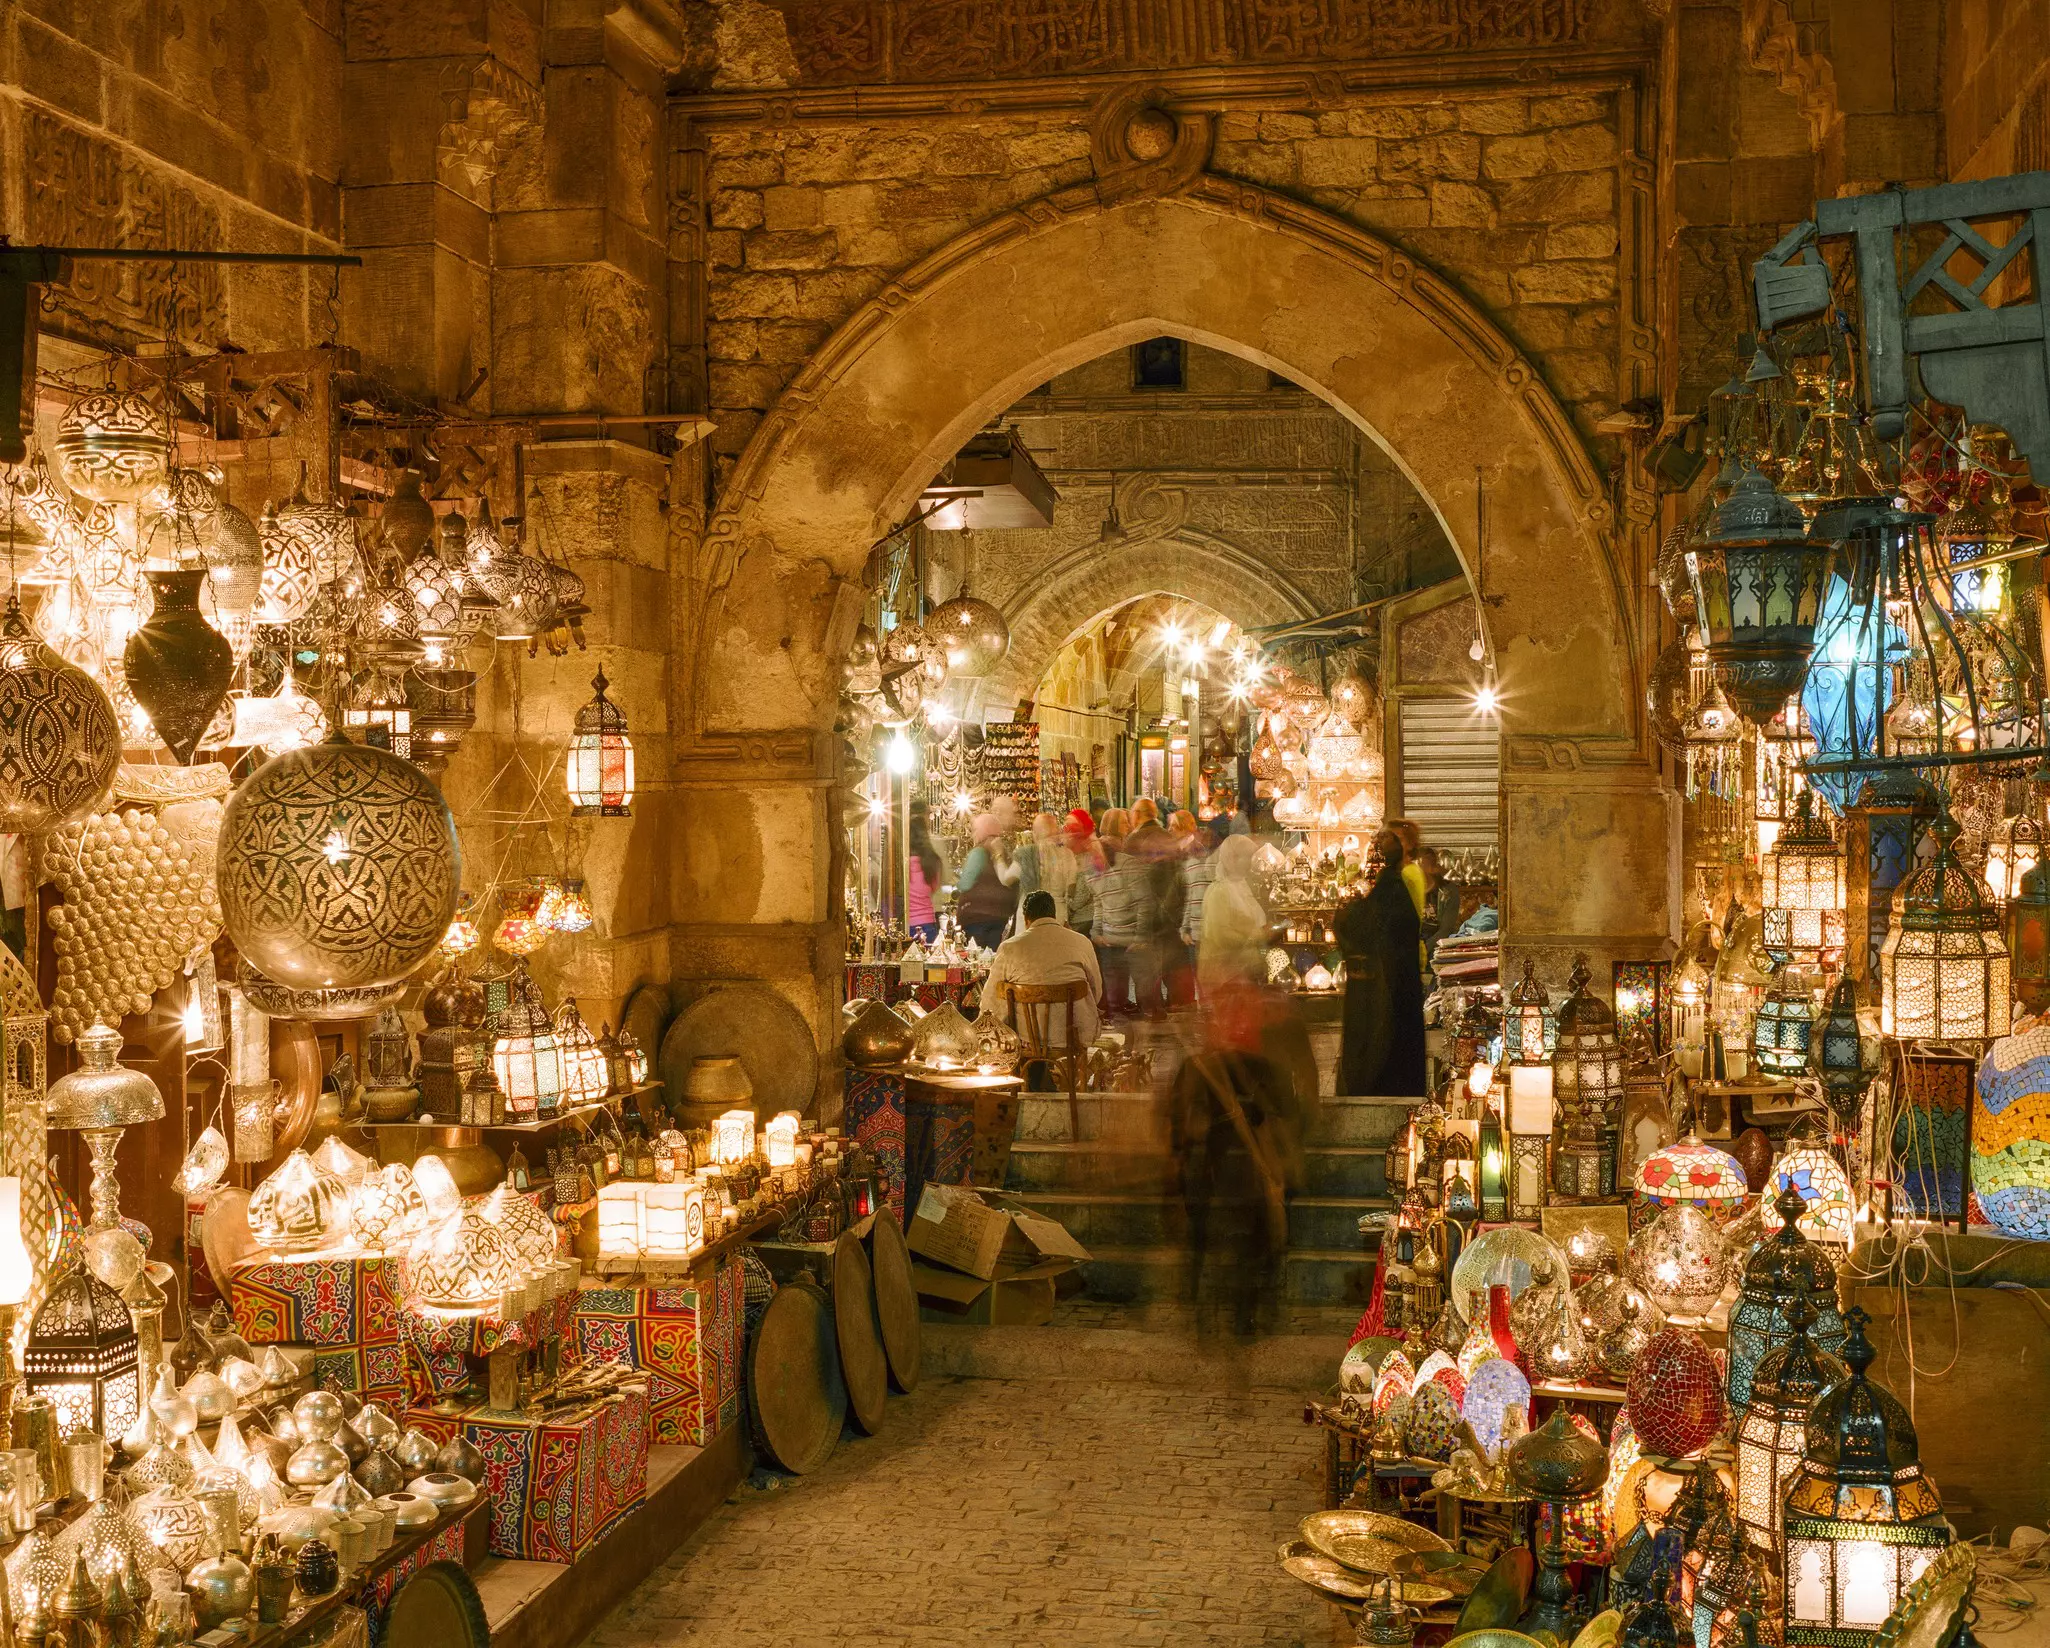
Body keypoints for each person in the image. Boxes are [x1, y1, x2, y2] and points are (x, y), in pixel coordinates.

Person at [1335, 827, 1427, 1096]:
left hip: (1383, 988)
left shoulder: (1383, 894)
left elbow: (1361, 931)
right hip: (1398, 983)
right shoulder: (1390, 891)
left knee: (1381, 1049)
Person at [981, 890, 1103, 1075]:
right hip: (1074, 1035)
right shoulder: (1082, 942)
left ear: (1026, 918)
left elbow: (990, 1001)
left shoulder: (1010, 947)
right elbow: (1097, 991)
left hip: (1027, 1038)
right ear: (1053, 914)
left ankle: (1028, 1083)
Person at [1087, 807, 1134, 1015]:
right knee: (1114, 968)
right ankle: (1115, 1007)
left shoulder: (1122, 846)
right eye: (1124, 822)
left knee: (1119, 968)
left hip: (1118, 918)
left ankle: (1118, 1003)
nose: (1129, 826)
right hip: (1111, 918)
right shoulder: (1109, 847)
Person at [955, 812, 1020, 952]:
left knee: (977, 958)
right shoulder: (1004, 853)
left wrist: (957, 883)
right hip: (1001, 916)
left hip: (976, 918)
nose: (973, 834)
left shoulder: (978, 852)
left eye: (975, 830)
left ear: (982, 830)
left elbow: (966, 883)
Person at [905, 804, 945, 943]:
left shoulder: (901, 865)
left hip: (906, 924)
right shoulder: (933, 861)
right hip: (928, 922)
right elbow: (934, 888)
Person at [1062, 809, 1100, 937]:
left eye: (1072, 828)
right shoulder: (1072, 856)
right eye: (1065, 827)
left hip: (1085, 923)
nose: (1066, 833)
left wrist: (1064, 901)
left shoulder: (1089, 857)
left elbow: (1080, 897)